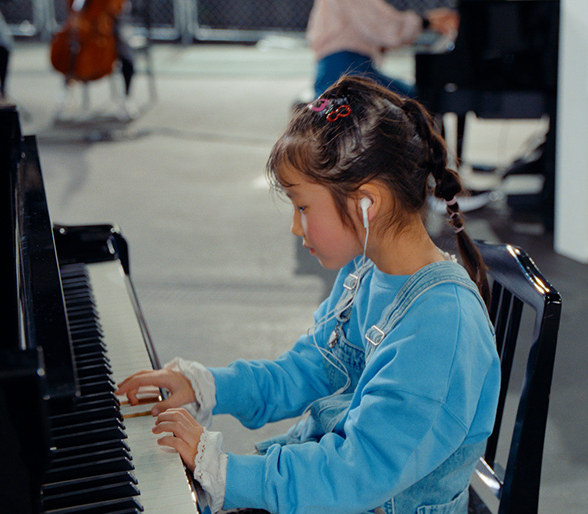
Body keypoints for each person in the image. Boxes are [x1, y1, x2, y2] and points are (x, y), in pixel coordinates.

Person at [116, 76, 500, 514]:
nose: (296, 228)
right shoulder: (366, 271)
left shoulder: (440, 327)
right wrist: (208, 385)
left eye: (302, 207)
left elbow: (355, 473)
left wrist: (225, 471)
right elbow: (310, 369)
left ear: (366, 205)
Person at [306, 0, 459, 98]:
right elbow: (384, 27)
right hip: (347, 71)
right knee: (415, 100)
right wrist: (426, 21)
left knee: (415, 97)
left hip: (342, 69)